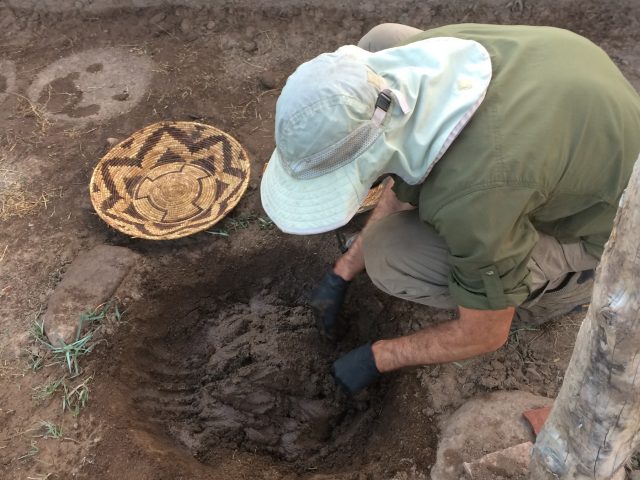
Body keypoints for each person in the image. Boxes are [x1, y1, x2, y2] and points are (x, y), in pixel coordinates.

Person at [260, 23, 640, 394]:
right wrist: (343, 270)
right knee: (384, 38)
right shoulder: (423, 59)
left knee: (390, 253)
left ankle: (569, 290)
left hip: (614, 223)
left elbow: (486, 334)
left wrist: (377, 357)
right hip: (572, 111)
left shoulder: (477, 197)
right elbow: (398, 156)